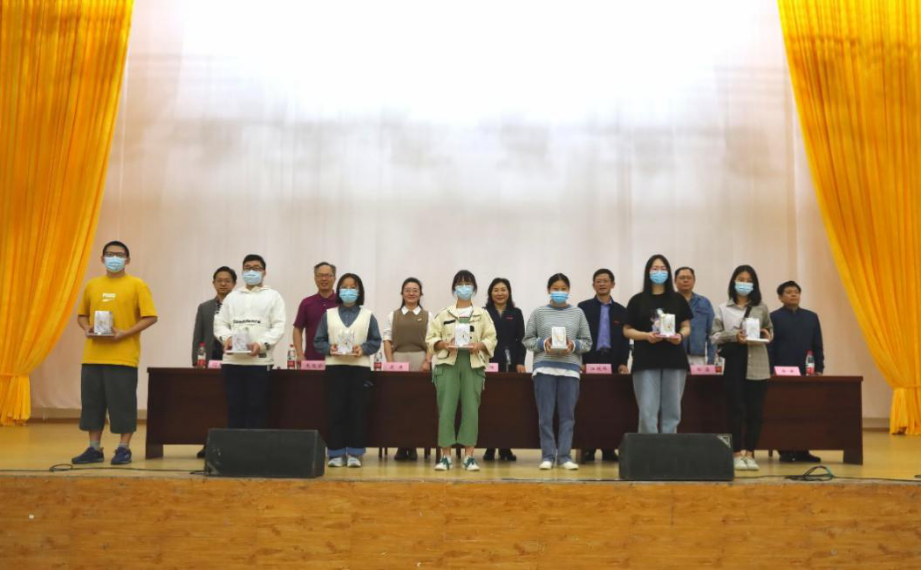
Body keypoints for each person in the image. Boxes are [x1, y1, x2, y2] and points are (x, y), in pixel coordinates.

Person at [72, 241, 158, 466]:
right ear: (102, 259)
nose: (114, 258)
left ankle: (123, 448)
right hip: (93, 356)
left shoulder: (137, 285)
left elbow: (151, 317)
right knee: (92, 404)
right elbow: (81, 315)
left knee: (123, 404)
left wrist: (125, 333)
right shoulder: (92, 285)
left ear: (127, 260)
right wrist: (86, 328)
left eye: (119, 255)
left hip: (123, 356)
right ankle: (94, 448)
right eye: (109, 254)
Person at [425, 270, 497, 472]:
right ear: (454, 288)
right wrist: (443, 344)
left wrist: (480, 345)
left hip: (473, 365)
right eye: (460, 284)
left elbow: (492, 337)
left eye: (468, 284)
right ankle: (446, 456)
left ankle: (469, 457)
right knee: (446, 409)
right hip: (447, 365)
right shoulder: (444, 313)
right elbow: (430, 338)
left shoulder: (482, 314)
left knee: (471, 410)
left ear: (474, 288)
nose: (464, 287)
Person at [523, 273, 593, 470]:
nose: (559, 292)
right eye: (555, 288)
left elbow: (587, 342)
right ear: (548, 290)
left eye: (563, 289)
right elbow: (527, 340)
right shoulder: (539, 313)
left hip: (570, 370)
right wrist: (543, 344)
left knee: (567, 416)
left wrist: (573, 345)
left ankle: (564, 456)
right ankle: (547, 456)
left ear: (568, 290)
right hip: (544, 368)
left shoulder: (578, 313)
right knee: (545, 416)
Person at [314, 273, 382, 468]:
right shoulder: (328, 315)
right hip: (335, 367)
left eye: (353, 287)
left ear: (359, 291)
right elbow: (318, 341)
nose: (348, 291)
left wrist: (363, 349)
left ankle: (354, 453)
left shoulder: (368, 316)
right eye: (345, 287)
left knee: (357, 410)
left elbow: (376, 340)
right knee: (335, 410)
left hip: (359, 368)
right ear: (339, 290)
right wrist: (330, 349)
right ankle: (335, 453)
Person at [711, 265, 774, 471]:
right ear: (733, 282)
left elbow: (770, 330)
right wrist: (734, 335)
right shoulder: (723, 308)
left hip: (758, 363)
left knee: (756, 412)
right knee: (735, 410)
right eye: (741, 279)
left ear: (754, 284)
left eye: (749, 280)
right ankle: (736, 453)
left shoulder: (761, 307)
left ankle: (750, 453)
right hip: (735, 363)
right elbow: (714, 336)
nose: (744, 284)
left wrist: (766, 334)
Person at [213, 254, 286, 430]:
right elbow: (220, 323)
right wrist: (227, 338)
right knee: (234, 409)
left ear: (264, 272)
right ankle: (234, 447)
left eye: (256, 268)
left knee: (257, 408)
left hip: (259, 363)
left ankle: (255, 447)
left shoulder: (273, 296)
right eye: (247, 268)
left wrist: (261, 344)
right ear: (242, 271)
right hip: (232, 362)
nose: (251, 271)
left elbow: (279, 326)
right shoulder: (232, 296)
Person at [623, 254, 692, 435]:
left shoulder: (678, 299)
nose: (659, 272)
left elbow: (686, 327)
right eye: (655, 268)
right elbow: (627, 330)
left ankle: (669, 449)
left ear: (668, 272)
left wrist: (679, 336)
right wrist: (646, 336)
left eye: (663, 269)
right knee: (647, 411)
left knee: (673, 411)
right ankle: (648, 449)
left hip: (674, 360)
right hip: (646, 360)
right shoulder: (637, 300)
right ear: (648, 272)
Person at [578, 268, 631, 463]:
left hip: (613, 362)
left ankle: (609, 448)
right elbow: (577, 336)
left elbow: (625, 340)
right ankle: (589, 448)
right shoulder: (583, 308)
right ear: (593, 285)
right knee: (590, 407)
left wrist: (623, 363)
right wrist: (580, 362)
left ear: (612, 284)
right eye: (598, 281)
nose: (602, 284)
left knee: (611, 408)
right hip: (589, 362)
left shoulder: (622, 311)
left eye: (605, 281)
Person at [769, 280, 824, 463]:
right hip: (781, 373)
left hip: (806, 373)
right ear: (780, 297)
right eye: (788, 292)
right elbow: (770, 346)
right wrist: (770, 370)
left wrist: (819, 368)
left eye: (796, 292)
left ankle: (803, 450)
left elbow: (817, 344)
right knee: (782, 412)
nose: (793, 294)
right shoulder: (773, 317)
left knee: (805, 412)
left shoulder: (811, 317)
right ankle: (784, 450)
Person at [383, 277, 432, 461]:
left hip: (420, 359)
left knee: (417, 404)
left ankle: (413, 445)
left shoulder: (428, 315)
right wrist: (390, 362)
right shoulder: (393, 315)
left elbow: (432, 341)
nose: (411, 293)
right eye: (407, 290)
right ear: (402, 293)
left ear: (420, 293)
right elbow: (387, 339)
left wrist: (427, 361)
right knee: (399, 404)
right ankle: (401, 445)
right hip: (398, 359)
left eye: (415, 290)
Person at [191, 265, 237, 458]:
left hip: (234, 361)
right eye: (219, 280)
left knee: (231, 403)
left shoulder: (240, 306)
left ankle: (231, 443)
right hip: (210, 362)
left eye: (227, 281)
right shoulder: (205, 308)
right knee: (209, 405)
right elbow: (198, 335)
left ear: (234, 284)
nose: (223, 284)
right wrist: (196, 361)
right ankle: (207, 443)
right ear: (213, 283)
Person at [483, 277, 526, 462]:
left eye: (503, 289)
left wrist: (520, 362)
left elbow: (522, 340)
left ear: (509, 292)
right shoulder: (483, 312)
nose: (500, 293)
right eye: (496, 290)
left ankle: (505, 447)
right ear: (490, 293)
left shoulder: (516, 313)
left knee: (508, 407)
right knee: (489, 406)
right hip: (488, 362)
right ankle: (489, 447)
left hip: (510, 362)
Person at [293, 262, 338, 362]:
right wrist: (300, 354)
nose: (324, 279)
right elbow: (297, 330)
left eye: (328, 275)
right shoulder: (306, 303)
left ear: (334, 278)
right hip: (311, 361)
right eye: (320, 275)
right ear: (315, 278)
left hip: (338, 361)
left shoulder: (342, 303)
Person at [674, 266, 716, 366]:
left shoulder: (704, 303)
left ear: (694, 281)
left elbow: (712, 333)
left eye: (689, 277)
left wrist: (711, 360)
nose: (685, 280)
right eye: (682, 277)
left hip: (698, 357)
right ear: (675, 281)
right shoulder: (670, 302)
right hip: (674, 354)